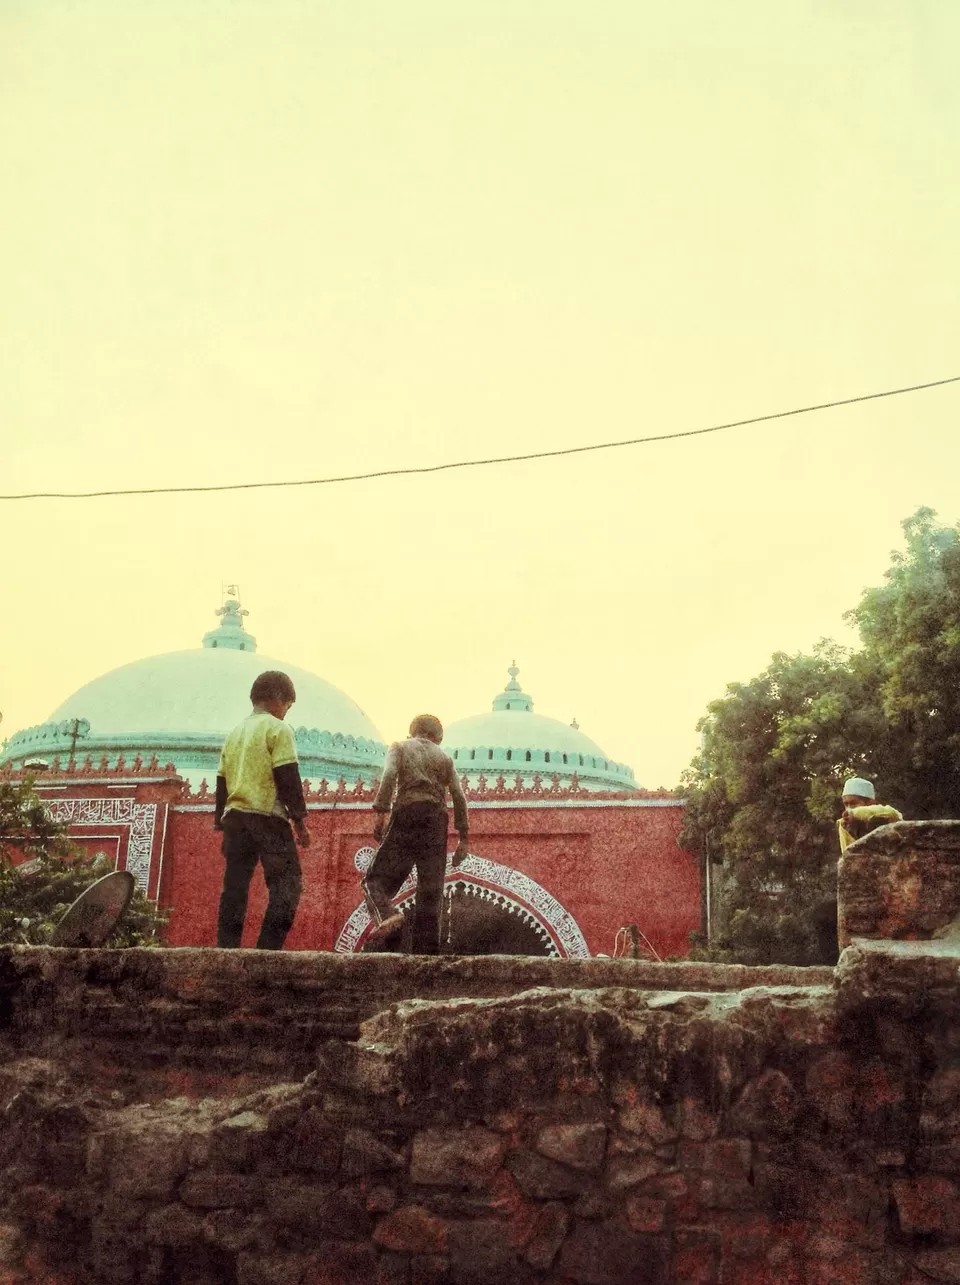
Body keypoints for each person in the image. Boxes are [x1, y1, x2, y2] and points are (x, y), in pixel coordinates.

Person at [214, 670, 310, 949]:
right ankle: (268, 950)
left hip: (235, 818)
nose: (285, 713)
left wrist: (221, 824)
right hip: (268, 817)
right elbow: (287, 776)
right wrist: (300, 823)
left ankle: (226, 948)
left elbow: (222, 781)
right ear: (279, 699)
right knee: (287, 884)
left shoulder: (234, 733)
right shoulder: (278, 729)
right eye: (287, 707)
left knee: (235, 887)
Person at [363, 713, 469, 954]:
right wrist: (463, 838)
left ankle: (387, 915)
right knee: (431, 891)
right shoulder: (444, 757)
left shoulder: (400, 747)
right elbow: (459, 795)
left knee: (373, 881)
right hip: (436, 821)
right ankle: (426, 957)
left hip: (407, 812)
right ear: (438, 738)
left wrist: (380, 812)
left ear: (411, 732)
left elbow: (389, 774)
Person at [837, 776, 903, 853]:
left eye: (853, 803)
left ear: (871, 803)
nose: (848, 808)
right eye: (846, 804)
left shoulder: (885, 814)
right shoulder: (845, 824)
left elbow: (893, 813)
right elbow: (846, 853)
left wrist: (854, 813)